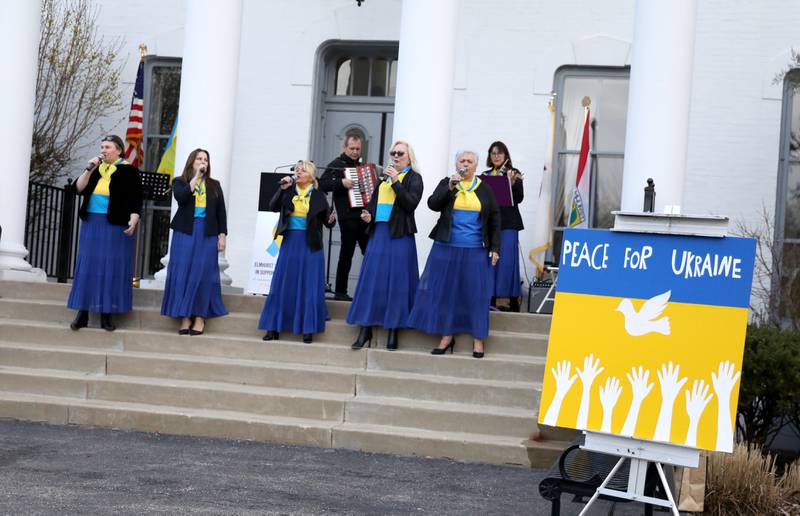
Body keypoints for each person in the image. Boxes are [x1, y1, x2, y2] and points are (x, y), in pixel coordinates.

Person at [407, 150, 501, 359]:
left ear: (475, 166)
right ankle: (446, 336)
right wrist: (449, 187)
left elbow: (495, 220)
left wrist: (495, 248)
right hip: (446, 247)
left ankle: (478, 339)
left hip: (476, 250)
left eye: (469, 161)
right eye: (462, 160)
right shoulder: (448, 182)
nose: (465, 164)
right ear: (456, 163)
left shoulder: (485, 189)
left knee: (476, 294)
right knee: (447, 292)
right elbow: (433, 204)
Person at [347, 141, 423, 351]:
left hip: (399, 235)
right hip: (379, 233)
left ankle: (393, 330)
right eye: (393, 153)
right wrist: (368, 214)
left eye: (400, 153)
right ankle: (366, 328)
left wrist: (397, 181)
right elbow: (373, 203)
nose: (396, 156)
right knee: (372, 280)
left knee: (396, 282)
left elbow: (410, 204)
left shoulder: (414, 178)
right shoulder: (383, 179)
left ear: (409, 157)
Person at [67, 134, 143, 331]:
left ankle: (106, 315)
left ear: (118, 149)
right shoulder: (96, 169)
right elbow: (78, 188)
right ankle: (82, 314)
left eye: (108, 147)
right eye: (102, 146)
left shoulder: (128, 171)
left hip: (115, 223)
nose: (104, 150)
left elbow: (136, 198)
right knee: (89, 266)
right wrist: (88, 169)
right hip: (92, 221)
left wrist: (134, 217)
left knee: (110, 267)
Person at [258, 160, 336, 343]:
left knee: (308, 284)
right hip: (291, 241)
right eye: (297, 170)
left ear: (311, 176)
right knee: (283, 282)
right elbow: (273, 206)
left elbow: (327, 222)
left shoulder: (318, 196)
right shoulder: (288, 191)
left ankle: (307, 328)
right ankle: (273, 326)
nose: (298, 172)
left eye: (303, 170)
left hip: (310, 244)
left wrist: (332, 219)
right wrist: (283, 188)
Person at [161, 148, 228, 335]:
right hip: (186, 232)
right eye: (199, 158)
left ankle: (200, 317)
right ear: (192, 162)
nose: (202, 162)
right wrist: (195, 179)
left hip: (207, 233)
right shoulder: (180, 181)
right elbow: (181, 199)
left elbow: (221, 212)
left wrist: (222, 236)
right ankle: (184, 317)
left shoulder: (214, 185)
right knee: (183, 271)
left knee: (203, 273)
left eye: (205, 159)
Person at [318, 134, 368, 301]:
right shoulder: (337, 165)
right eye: (351, 148)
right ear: (345, 148)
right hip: (347, 216)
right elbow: (322, 184)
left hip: (363, 216)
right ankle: (341, 291)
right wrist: (341, 183)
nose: (354, 152)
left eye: (357, 149)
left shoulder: (361, 166)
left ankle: (369, 289)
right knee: (347, 254)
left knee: (369, 252)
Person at [482, 141, 524, 312]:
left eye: (500, 153)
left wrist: (512, 184)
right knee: (490, 259)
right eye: (493, 153)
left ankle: (512, 299)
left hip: (508, 222)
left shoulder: (513, 172)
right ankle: (490, 297)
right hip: (491, 223)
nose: (496, 156)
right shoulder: (485, 175)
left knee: (507, 260)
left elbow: (519, 198)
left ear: (506, 155)